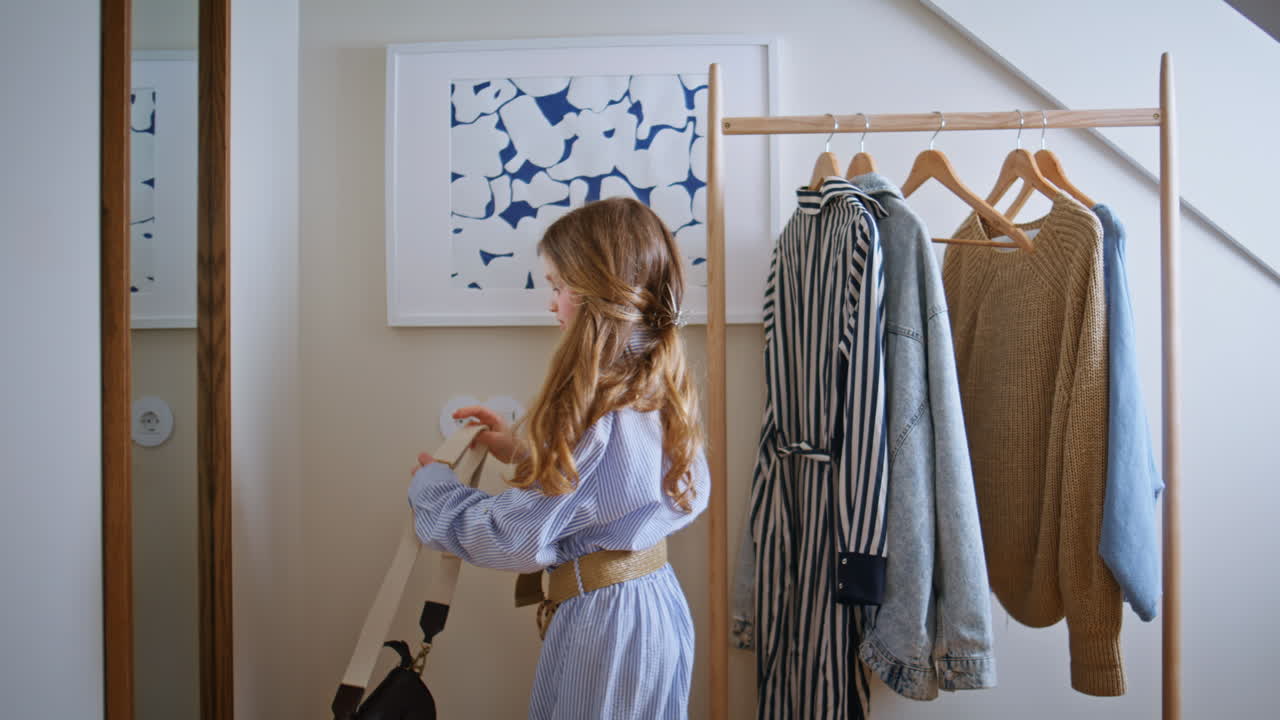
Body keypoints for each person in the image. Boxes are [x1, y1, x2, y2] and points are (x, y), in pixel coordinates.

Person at [407, 197, 709, 720]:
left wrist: (433, 490)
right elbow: (612, 490)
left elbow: (516, 538)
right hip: (653, 607)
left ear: (596, 293)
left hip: (608, 627)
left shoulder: (599, 410)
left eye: (556, 286)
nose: (551, 304)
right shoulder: (651, 383)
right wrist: (520, 452)